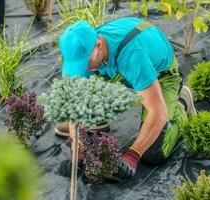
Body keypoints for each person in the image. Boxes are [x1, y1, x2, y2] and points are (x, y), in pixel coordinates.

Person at [55, 17, 197, 179]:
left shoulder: (133, 56)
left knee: (153, 153)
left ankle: (181, 104)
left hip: (161, 75)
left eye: (85, 63)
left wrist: (133, 155)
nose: (83, 68)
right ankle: (97, 118)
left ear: (99, 44)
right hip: (122, 66)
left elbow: (157, 112)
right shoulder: (88, 48)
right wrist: (77, 150)